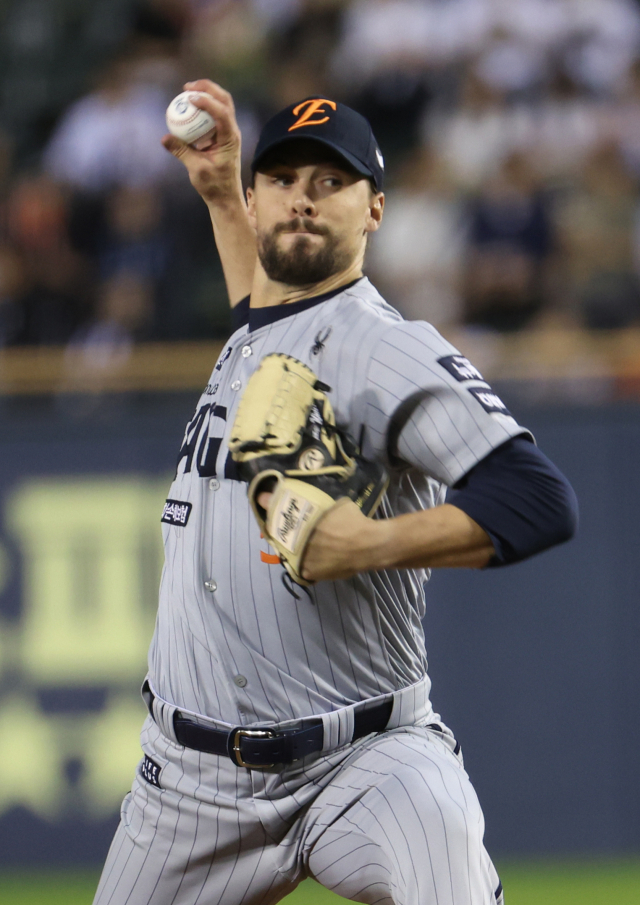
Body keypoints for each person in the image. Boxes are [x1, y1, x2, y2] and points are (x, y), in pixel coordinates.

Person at [93, 83, 578, 905]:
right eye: (283, 180)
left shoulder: (385, 348)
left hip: (367, 759)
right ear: (257, 198)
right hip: (188, 784)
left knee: (446, 868)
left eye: (330, 182)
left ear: (374, 209)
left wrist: (368, 543)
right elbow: (261, 303)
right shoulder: (260, 329)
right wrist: (219, 195)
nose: (303, 200)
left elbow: (538, 498)